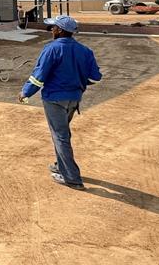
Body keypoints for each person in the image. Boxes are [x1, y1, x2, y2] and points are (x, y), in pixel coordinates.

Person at [18, 15, 102, 190]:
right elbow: (96, 76)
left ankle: (72, 178)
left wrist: (25, 92)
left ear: (60, 30)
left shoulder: (52, 49)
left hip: (55, 99)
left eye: (53, 27)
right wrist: (78, 78)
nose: (51, 30)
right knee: (63, 133)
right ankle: (60, 165)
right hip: (74, 98)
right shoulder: (85, 51)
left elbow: (39, 76)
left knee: (60, 136)